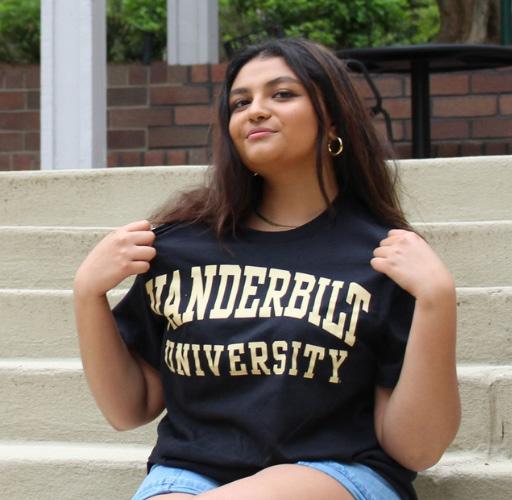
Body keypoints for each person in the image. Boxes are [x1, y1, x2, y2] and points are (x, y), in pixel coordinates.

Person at [74, 38, 460, 500]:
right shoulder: (180, 248)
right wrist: (87, 293)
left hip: (337, 472)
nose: (255, 110)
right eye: (241, 102)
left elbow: (416, 448)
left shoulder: (382, 257)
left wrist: (437, 300)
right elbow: (129, 409)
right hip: (190, 475)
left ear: (333, 119)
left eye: (282, 94)